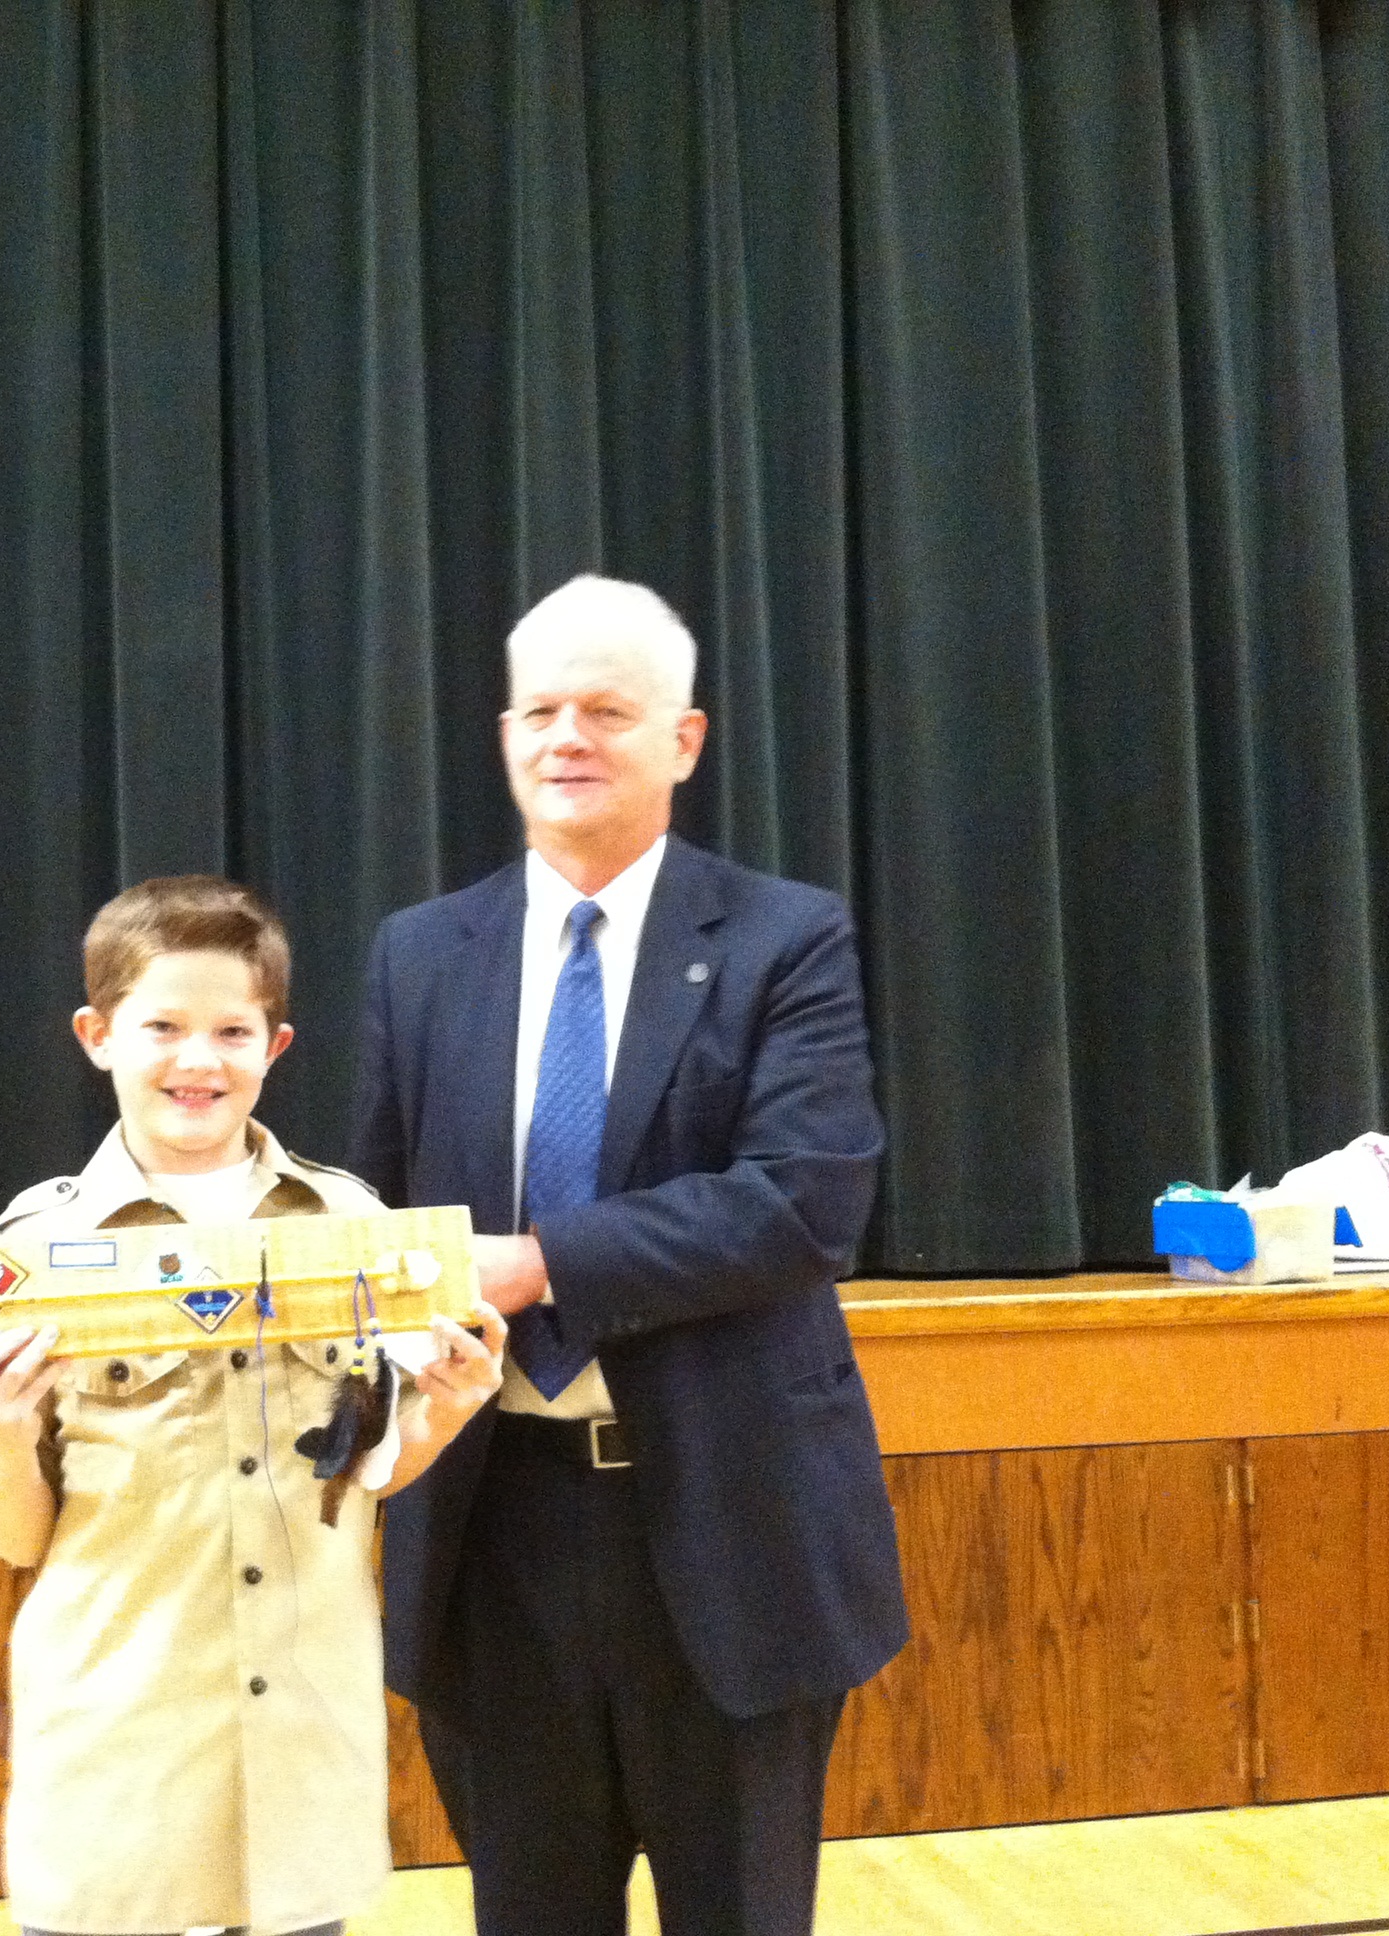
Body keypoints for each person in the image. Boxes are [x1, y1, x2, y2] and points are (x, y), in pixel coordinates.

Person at [348, 575, 908, 1936]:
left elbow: (801, 1206)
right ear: (503, 734)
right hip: (491, 1534)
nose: (567, 738)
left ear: (684, 739)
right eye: (539, 710)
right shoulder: (420, 955)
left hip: (730, 1526)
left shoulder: (787, 938)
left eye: (606, 710)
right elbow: (373, 1215)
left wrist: (536, 1264)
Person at [0, 874, 507, 1936]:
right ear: (97, 1036)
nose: (198, 1060)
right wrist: (2, 1429)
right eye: (162, 1026)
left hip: (300, 1745)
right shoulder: (29, 1253)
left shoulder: (351, 1226)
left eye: (232, 1031)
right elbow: (17, 1539)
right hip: (119, 1750)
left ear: (275, 1046)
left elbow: (367, 1469)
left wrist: (447, 1410)